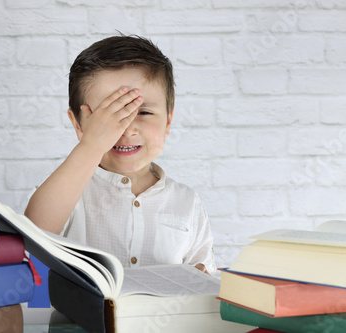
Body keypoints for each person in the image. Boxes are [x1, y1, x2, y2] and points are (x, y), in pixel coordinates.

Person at [25, 35, 215, 274]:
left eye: (143, 112)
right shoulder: (66, 190)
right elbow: (34, 234)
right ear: (78, 125)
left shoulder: (187, 202)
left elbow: (203, 274)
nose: (125, 128)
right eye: (108, 115)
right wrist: (92, 145)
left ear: (168, 121)